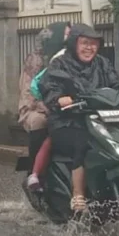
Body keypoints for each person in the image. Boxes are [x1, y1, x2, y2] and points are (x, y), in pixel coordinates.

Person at [40, 23, 119, 214]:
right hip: (67, 120)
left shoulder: (102, 63)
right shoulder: (60, 64)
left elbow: (116, 85)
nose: (89, 48)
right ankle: (78, 195)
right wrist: (58, 98)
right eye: (85, 43)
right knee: (83, 142)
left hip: (99, 118)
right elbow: (49, 87)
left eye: (94, 44)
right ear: (74, 43)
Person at [18, 22, 70, 192]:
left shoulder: (69, 56)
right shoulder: (35, 60)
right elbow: (29, 92)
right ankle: (36, 173)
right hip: (35, 108)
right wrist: (47, 106)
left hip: (63, 105)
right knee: (40, 122)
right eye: (66, 35)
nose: (69, 39)